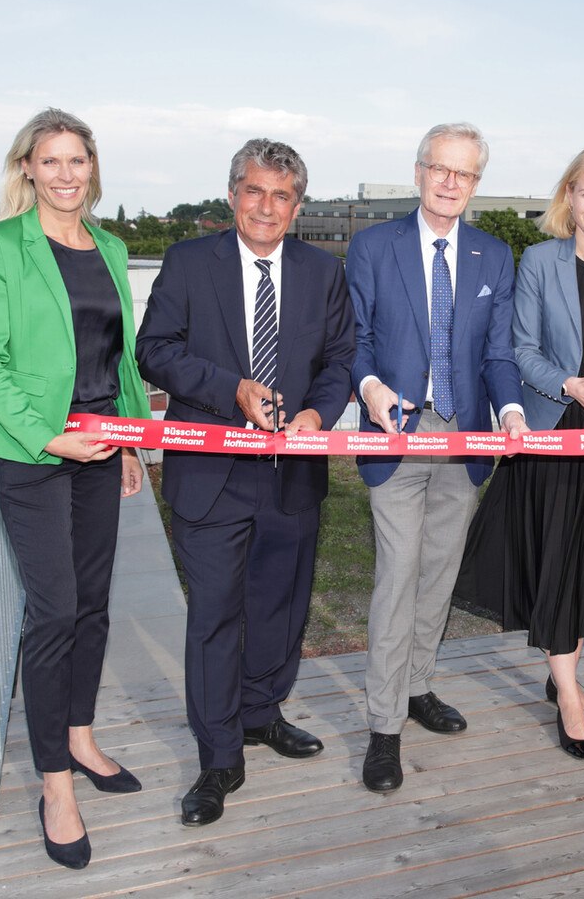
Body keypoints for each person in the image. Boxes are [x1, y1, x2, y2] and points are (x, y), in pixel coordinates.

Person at [135, 139, 354, 826]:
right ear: (232, 195)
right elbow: (155, 350)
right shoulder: (188, 262)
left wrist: (319, 411)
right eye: (254, 191)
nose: (267, 207)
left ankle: (261, 714)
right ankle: (218, 757)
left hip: (293, 473)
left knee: (280, 610)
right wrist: (231, 390)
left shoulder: (324, 271)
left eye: (281, 195)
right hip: (211, 475)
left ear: (297, 205)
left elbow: (341, 357)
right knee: (214, 618)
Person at [0, 108, 149, 870]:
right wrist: (48, 436)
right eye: (53, 162)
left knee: (95, 605)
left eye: (79, 161)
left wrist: (133, 438)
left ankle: (80, 733)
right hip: (35, 454)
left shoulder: (110, 245)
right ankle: (55, 782)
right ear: (29, 169)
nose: (67, 174)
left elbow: (121, 354)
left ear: (92, 169)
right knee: (54, 613)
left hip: (104, 447)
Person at [461, 144, 584, 759]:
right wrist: (568, 384)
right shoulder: (540, 261)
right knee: (555, 559)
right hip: (552, 429)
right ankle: (570, 693)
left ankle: (562, 673)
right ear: (568, 195)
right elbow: (521, 349)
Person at [346, 122, 528, 793]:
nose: (452, 183)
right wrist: (368, 390)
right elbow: (357, 342)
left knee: (438, 574)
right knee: (397, 577)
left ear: (476, 184)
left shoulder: (493, 255)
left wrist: (509, 411)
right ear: (419, 172)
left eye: (466, 174)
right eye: (441, 169)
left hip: (466, 437)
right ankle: (384, 726)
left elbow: (499, 353)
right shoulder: (372, 247)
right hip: (397, 435)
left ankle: (419, 685)